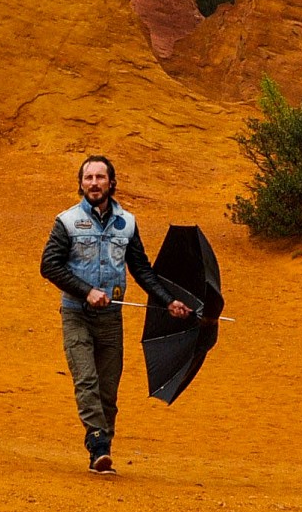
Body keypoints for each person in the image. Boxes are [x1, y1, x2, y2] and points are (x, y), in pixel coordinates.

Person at [38, 153, 191, 474]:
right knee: (87, 380)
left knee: (108, 389)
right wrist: (87, 291)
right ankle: (97, 445)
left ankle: (101, 451)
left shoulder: (127, 223)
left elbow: (142, 270)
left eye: (100, 177)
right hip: (76, 313)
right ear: (81, 184)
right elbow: (49, 265)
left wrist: (168, 301)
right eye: (88, 178)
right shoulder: (66, 222)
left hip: (111, 318)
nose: (94, 183)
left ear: (111, 182)